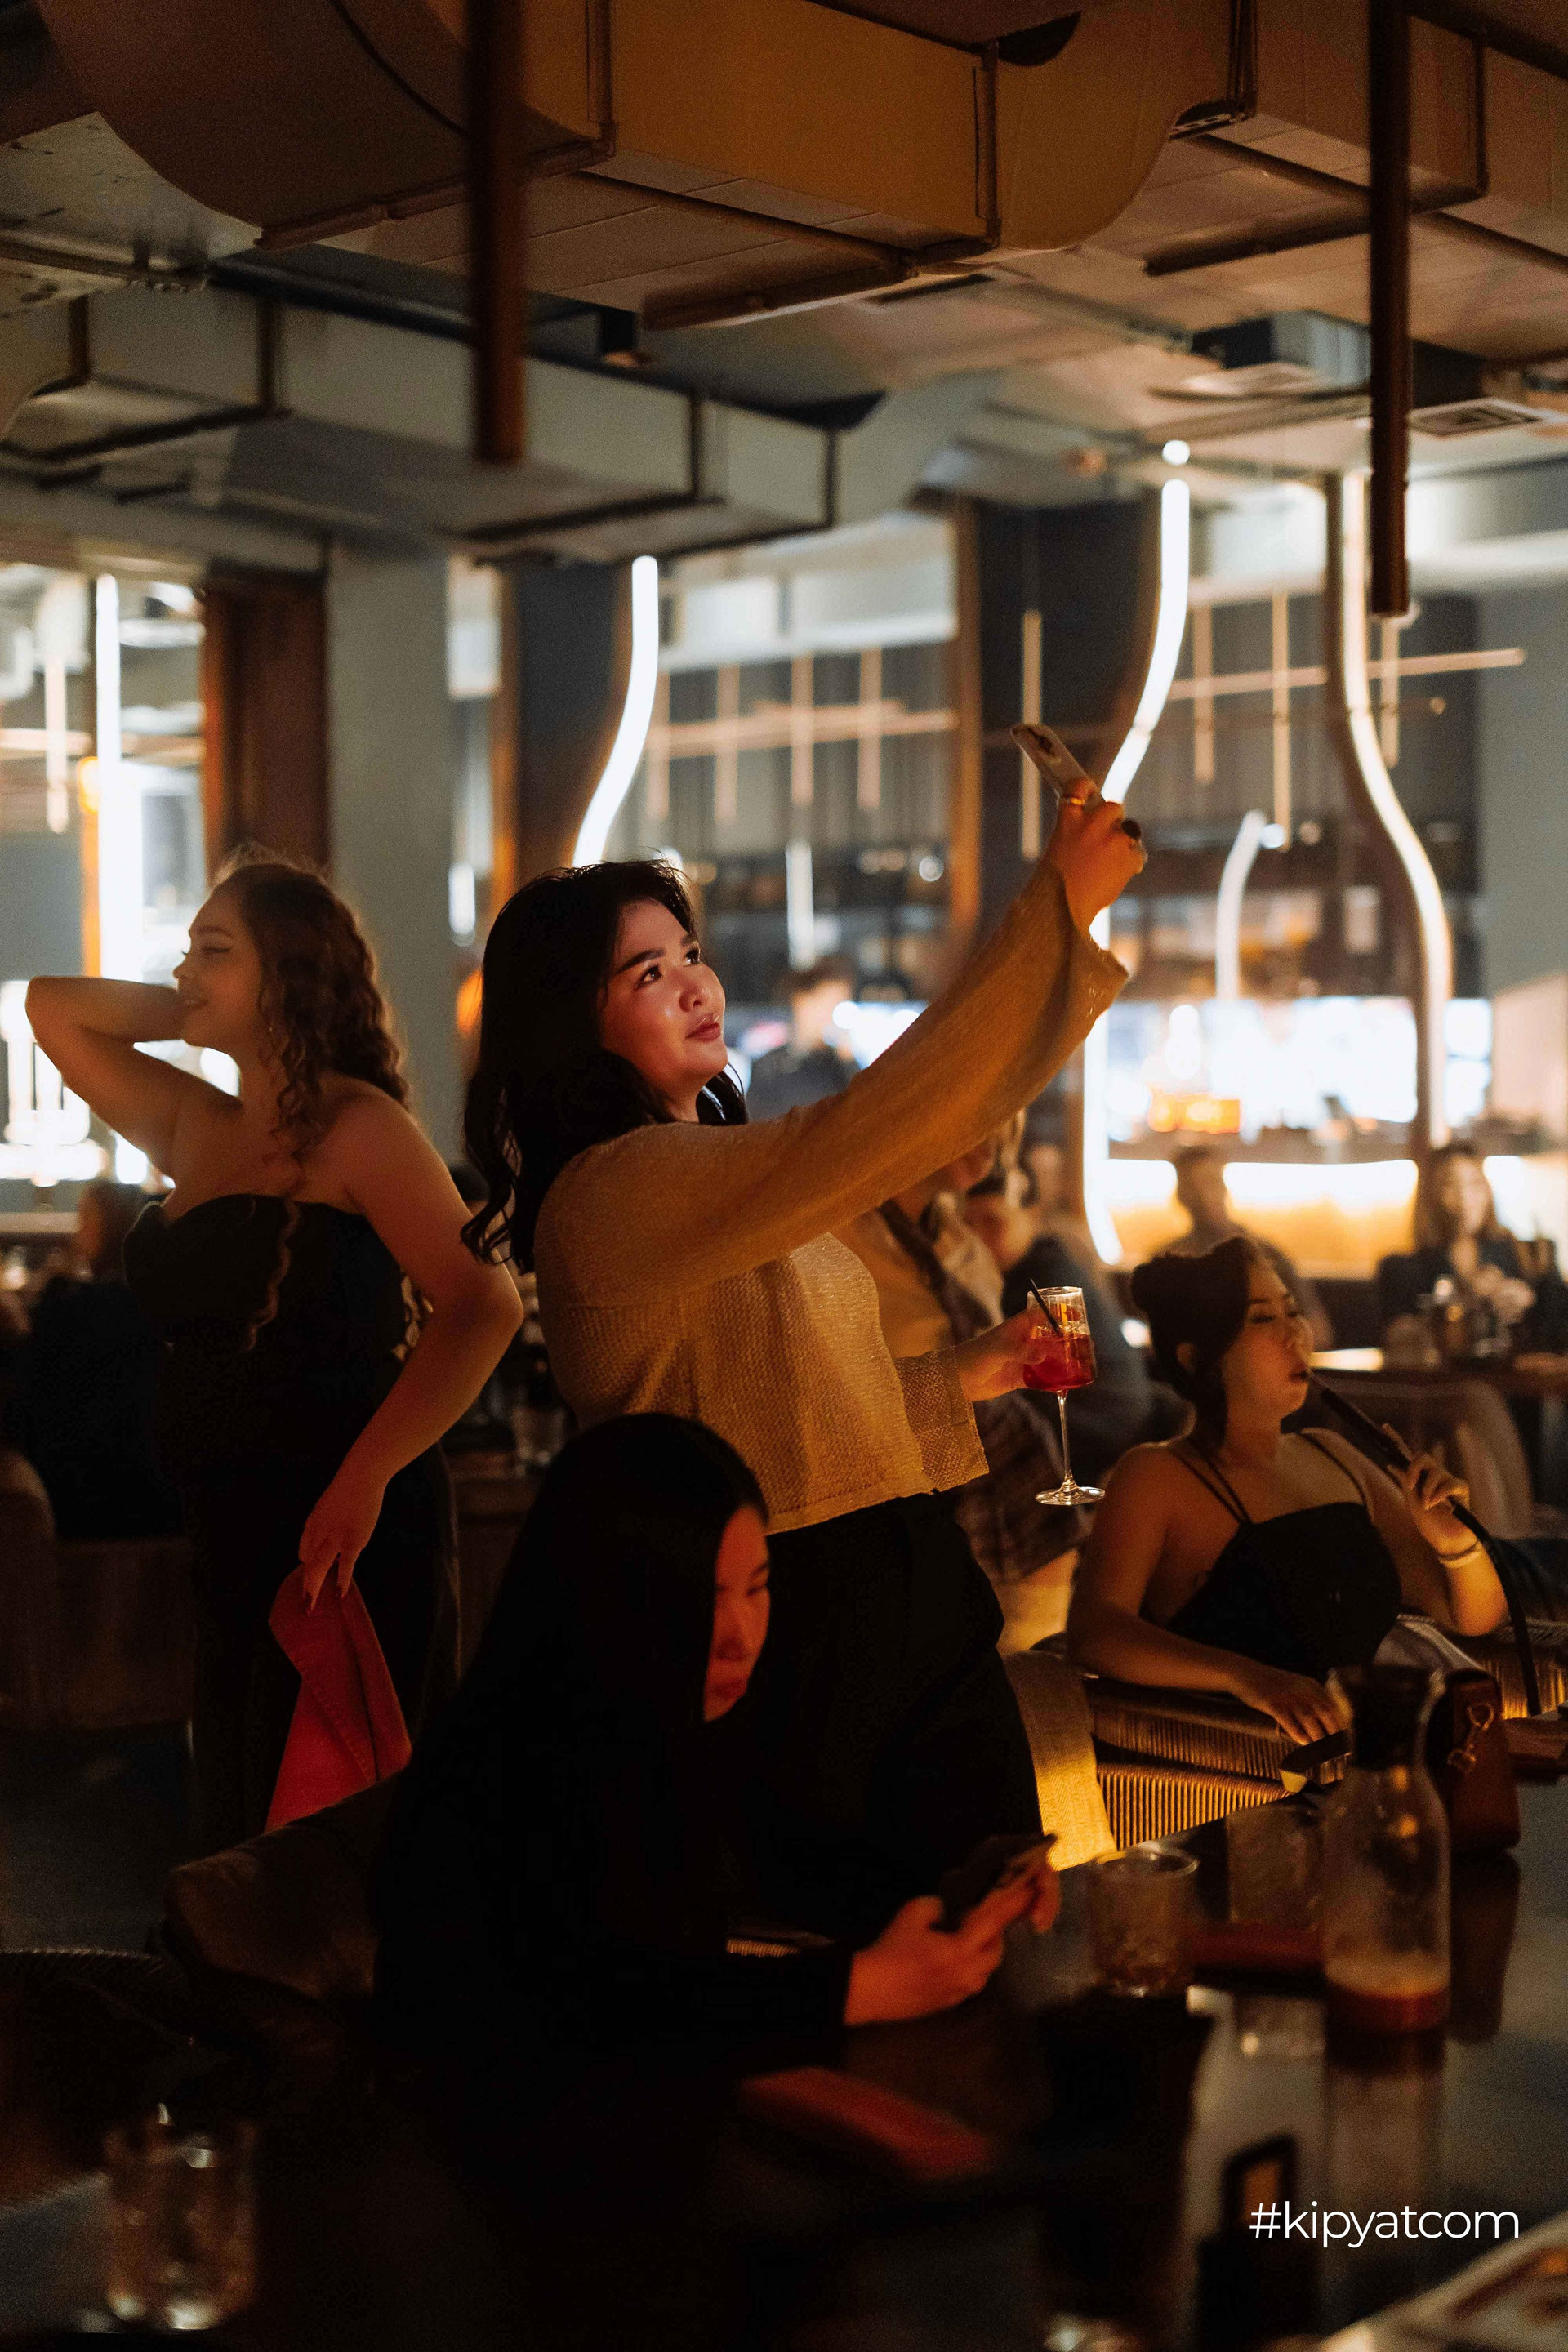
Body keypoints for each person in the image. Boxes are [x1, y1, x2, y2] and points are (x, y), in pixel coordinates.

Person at [461, 791, 1141, 1938]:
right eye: (647, 974)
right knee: (871, 1957)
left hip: (908, 1598)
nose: (696, 986)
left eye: (690, 955)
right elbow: (870, 1130)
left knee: (1001, 1935)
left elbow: (803, 1416)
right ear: (572, 1026)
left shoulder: (706, 1172)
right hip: (792, 1622)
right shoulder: (610, 1191)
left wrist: (970, 1373)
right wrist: (1054, 913)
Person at [27, 857, 522, 1849]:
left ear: (288, 972)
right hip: (229, 1528)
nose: (185, 969)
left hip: (340, 1531)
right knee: (241, 1827)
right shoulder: (197, 1121)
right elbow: (53, 1010)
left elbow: (485, 1306)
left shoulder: (358, 1127)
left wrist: (365, 1478)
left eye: (213, 950)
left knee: (332, 1836)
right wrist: (202, 1003)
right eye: (187, 951)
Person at [374, 1416, 1058, 2073]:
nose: (742, 1635)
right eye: (704, 1596)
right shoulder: (518, 1763)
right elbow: (593, 2006)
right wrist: (859, 1989)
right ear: (612, 1596)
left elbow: (769, 1894)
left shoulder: (664, 1728)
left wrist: (968, 1882)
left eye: (757, 1589)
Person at [1067, 1239, 1508, 1744]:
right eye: (1262, 1318)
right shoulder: (1156, 1474)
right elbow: (1094, 1632)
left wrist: (1456, 1544)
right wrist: (1249, 1678)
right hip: (1244, 1765)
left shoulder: (1333, 1454)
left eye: (1293, 1311)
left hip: (1382, 1753)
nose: (1295, 1332)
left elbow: (1474, 1616)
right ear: (1197, 1358)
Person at [841, 1138, 1078, 1588]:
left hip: (1013, 1471)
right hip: (906, 1493)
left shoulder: (961, 1240)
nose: (990, 1141)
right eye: (976, 1119)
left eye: (1003, 1128)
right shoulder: (838, 1238)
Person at [963, 1164, 1185, 1486]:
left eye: (993, 1222)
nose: (978, 1239)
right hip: (1118, 1428)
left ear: (1032, 1216)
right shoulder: (1031, 1268)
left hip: (1105, 1437)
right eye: (968, 1225)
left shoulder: (1046, 1284)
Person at [4, 1178, 181, 1539]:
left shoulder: (83, 1310)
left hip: (84, 1493)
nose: (78, 1229)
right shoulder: (152, 1303)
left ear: (113, 1226)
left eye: (87, 1218)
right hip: (152, 1492)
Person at [1377, 1144, 1568, 1351]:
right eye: (1450, 1185)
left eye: (1475, 1184)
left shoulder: (1532, 1256)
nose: (1465, 1199)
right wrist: (1461, 1302)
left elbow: (1559, 1332)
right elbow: (1395, 1340)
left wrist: (1530, 1301)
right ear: (1430, 1195)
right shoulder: (1402, 1270)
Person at [1169, 1143, 1332, 1350]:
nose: (1203, 1195)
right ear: (1181, 1195)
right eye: (1193, 1186)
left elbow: (1319, 1331)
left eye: (1212, 1182)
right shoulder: (1171, 1259)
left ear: (1224, 1188)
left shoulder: (1265, 1254)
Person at [744, 958, 858, 1120]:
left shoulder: (841, 1065)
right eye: (826, 1004)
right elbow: (759, 1123)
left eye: (838, 1005)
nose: (830, 1016)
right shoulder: (769, 1066)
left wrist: (848, 1061)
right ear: (801, 1001)